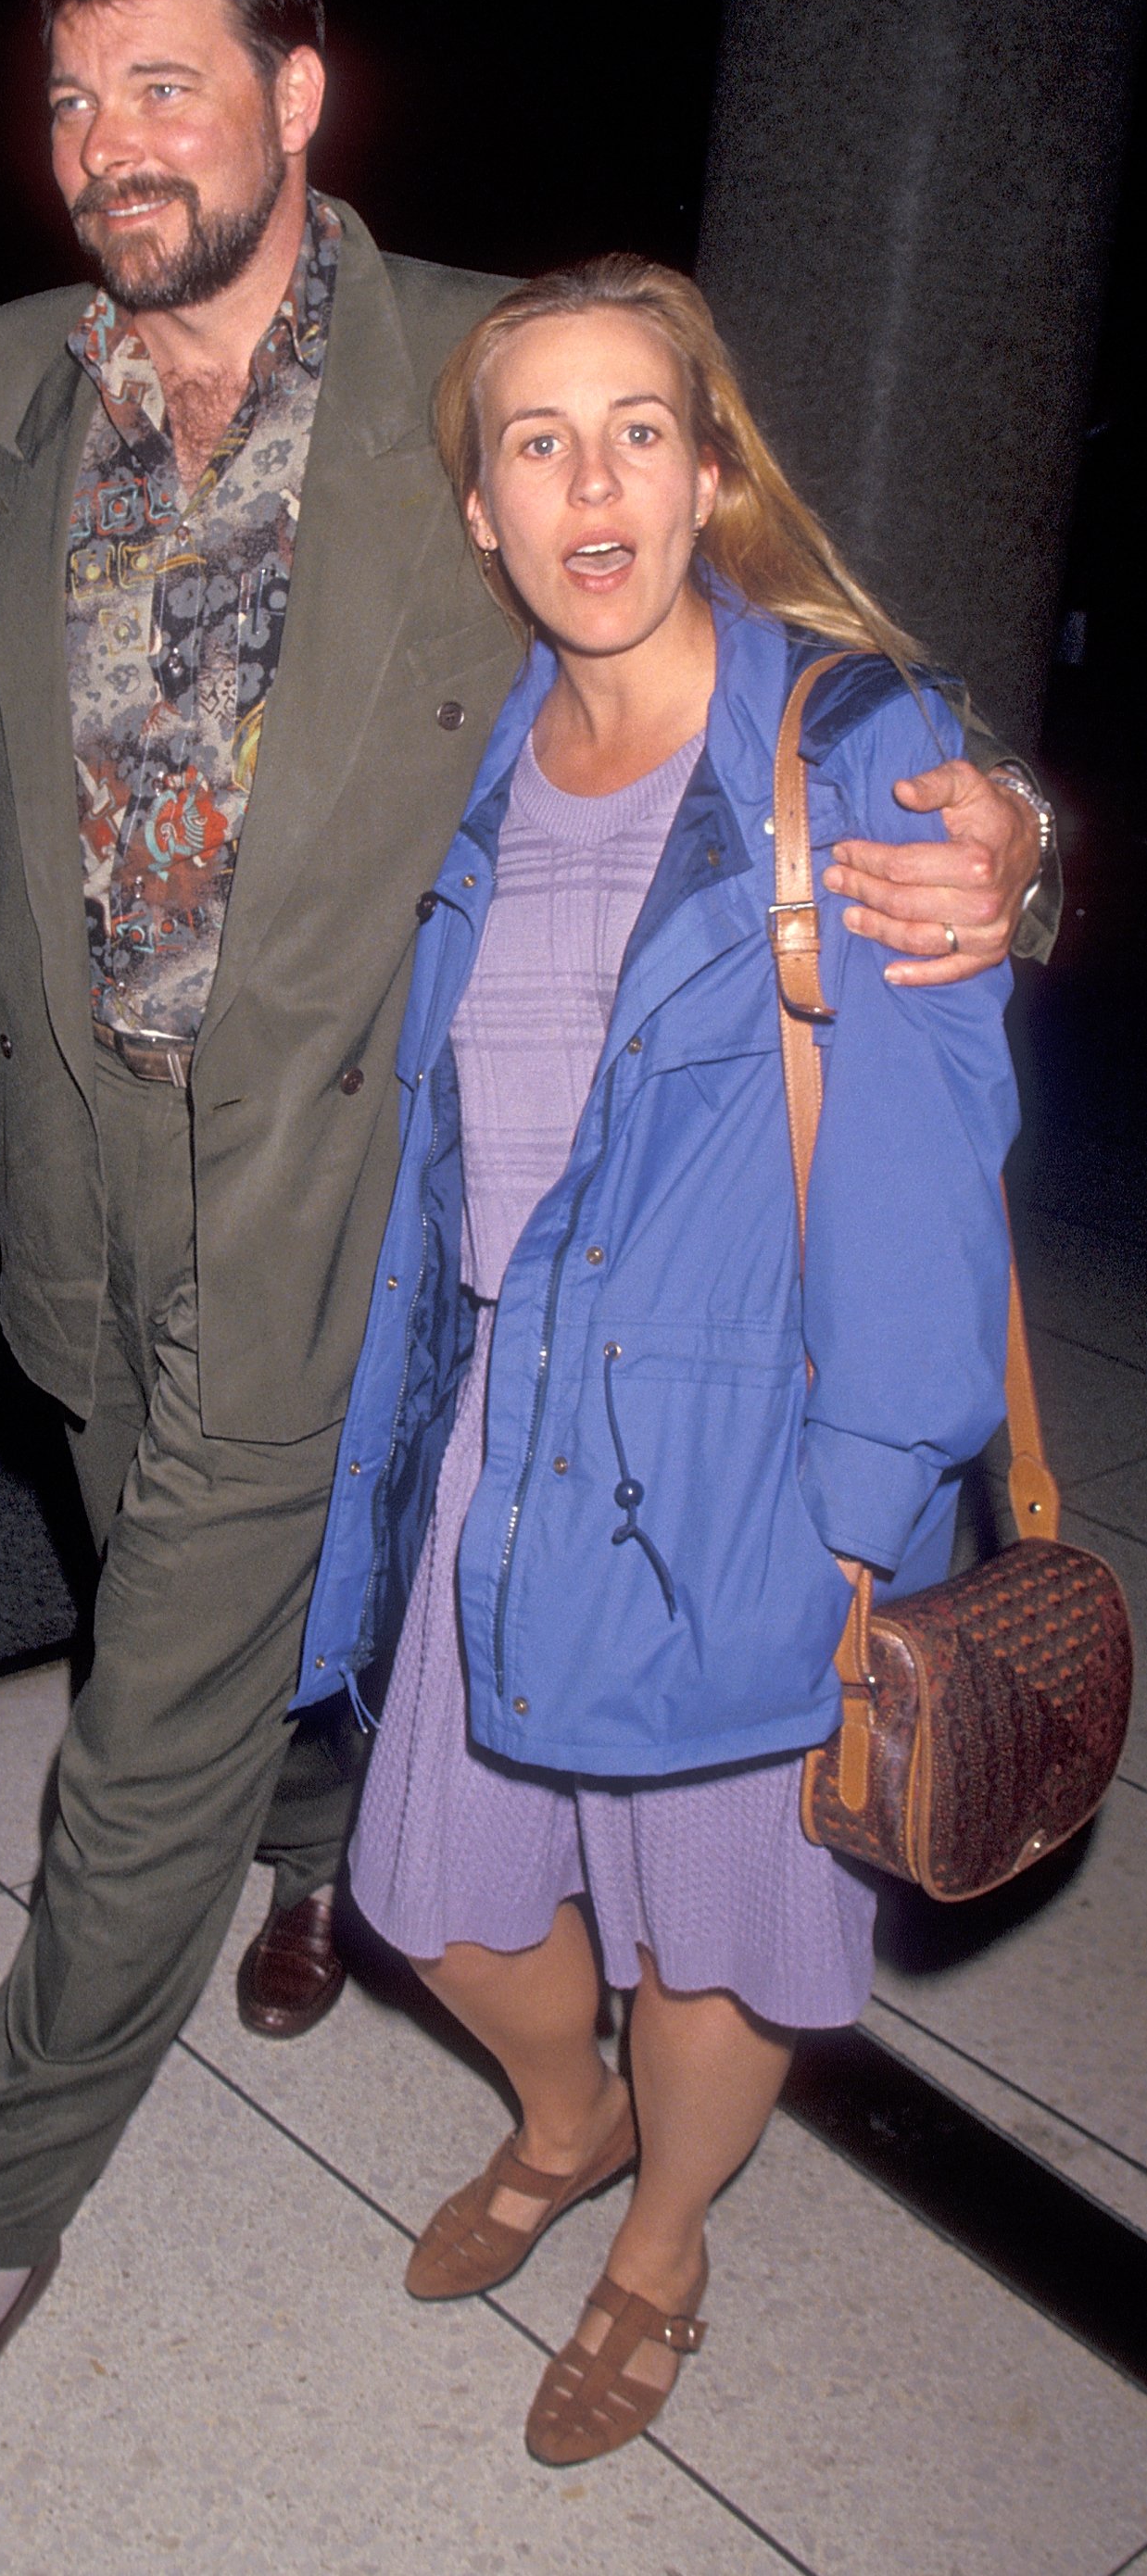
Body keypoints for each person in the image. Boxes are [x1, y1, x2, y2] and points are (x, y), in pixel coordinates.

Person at [0, 0, 1049, 2444]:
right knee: (192, 1596)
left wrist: (1013, 828)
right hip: (79, 1159)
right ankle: (303, 1818)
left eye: (167, 86)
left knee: (137, 1704)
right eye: (69, 98)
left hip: (344, 1195)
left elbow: (757, 601)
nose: (109, 144)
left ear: (294, 97)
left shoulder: (485, 367)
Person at [294, 257, 1019, 2467]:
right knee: (428, 1886)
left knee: (712, 1925)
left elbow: (924, 1159)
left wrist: (858, 1525)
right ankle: (564, 2111)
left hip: (749, 1447)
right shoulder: (473, 748)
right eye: (535, 440)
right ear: (483, 513)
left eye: (636, 430)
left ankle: (663, 2232)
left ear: (709, 478)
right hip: (497, 1414)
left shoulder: (848, 748)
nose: (588, 479)